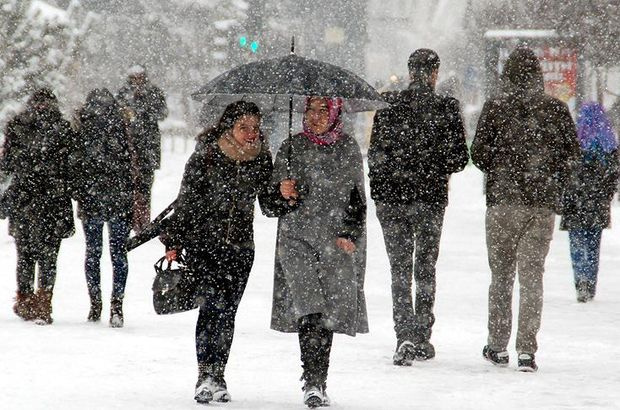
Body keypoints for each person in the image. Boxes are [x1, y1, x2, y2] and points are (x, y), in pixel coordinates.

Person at [471, 46, 580, 372]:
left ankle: (497, 345)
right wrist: (548, 171)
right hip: (541, 205)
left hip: (503, 203)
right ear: (538, 75)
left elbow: (478, 154)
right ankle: (527, 351)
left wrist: (501, 165)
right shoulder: (555, 109)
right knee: (533, 278)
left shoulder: (495, 108)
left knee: (501, 277)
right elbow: (572, 156)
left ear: (508, 75)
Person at [161, 101, 276, 404]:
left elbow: (268, 205)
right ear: (230, 126)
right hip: (204, 245)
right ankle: (204, 375)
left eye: (255, 128)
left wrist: (284, 194)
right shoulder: (207, 155)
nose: (251, 134)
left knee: (228, 313)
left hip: (241, 248)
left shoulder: (262, 158)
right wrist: (173, 240)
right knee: (210, 307)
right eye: (244, 127)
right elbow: (186, 200)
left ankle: (219, 374)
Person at [368, 48, 469, 365]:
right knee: (425, 268)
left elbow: (375, 156)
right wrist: (433, 162)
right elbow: (459, 159)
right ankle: (423, 335)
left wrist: (381, 191)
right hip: (430, 199)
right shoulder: (446, 108)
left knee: (399, 270)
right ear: (435, 73)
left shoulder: (388, 105)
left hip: (393, 200)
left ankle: (404, 335)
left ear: (410, 71)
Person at [270, 96, 368, 408]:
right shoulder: (290, 146)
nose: (315, 117)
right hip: (295, 239)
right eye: (310, 110)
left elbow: (357, 197)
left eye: (323, 110)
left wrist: (350, 233)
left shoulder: (348, 148)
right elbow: (270, 204)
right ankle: (311, 380)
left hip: (335, 242)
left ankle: (320, 378)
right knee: (308, 307)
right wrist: (281, 192)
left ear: (336, 112)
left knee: (327, 312)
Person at [0, 88, 75, 325]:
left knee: (25, 255)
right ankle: (43, 301)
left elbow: (7, 165)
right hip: (52, 199)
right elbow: (70, 166)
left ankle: (25, 299)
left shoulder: (18, 125)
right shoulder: (62, 129)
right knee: (48, 256)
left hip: (25, 198)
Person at [73, 88, 134, 327]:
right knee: (118, 254)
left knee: (93, 253)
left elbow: (76, 164)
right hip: (118, 198)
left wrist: (80, 192)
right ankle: (116, 304)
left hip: (92, 199)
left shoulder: (82, 127)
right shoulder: (122, 125)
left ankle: (95, 302)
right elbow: (132, 164)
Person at [560, 102, 619, 303]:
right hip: (597, 202)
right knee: (594, 245)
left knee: (577, 243)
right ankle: (590, 282)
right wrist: (606, 195)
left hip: (575, 201)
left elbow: (565, 170)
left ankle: (580, 280)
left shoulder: (576, 139)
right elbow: (613, 175)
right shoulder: (609, 143)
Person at [116, 65, 167, 233]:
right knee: (128, 187)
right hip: (128, 147)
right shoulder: (123, 93)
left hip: (148, 147)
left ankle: (143, 221)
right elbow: (116, 114)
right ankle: (130, 219)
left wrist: (144, 110)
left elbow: (162, 113)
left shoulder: (153, 93)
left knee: (145, 187)